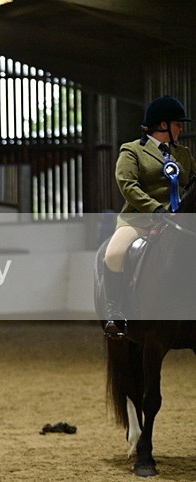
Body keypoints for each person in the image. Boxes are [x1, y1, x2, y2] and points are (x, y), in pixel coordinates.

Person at [102, 95, 196, 337]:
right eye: (177, 123)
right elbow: (128, 185)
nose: (181, 128)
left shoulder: (183, 154)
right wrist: (157, 209)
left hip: (180, 222)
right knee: (114, 253)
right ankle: (115, 313)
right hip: (140, 219)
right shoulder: (132, 151)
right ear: (162, 125)